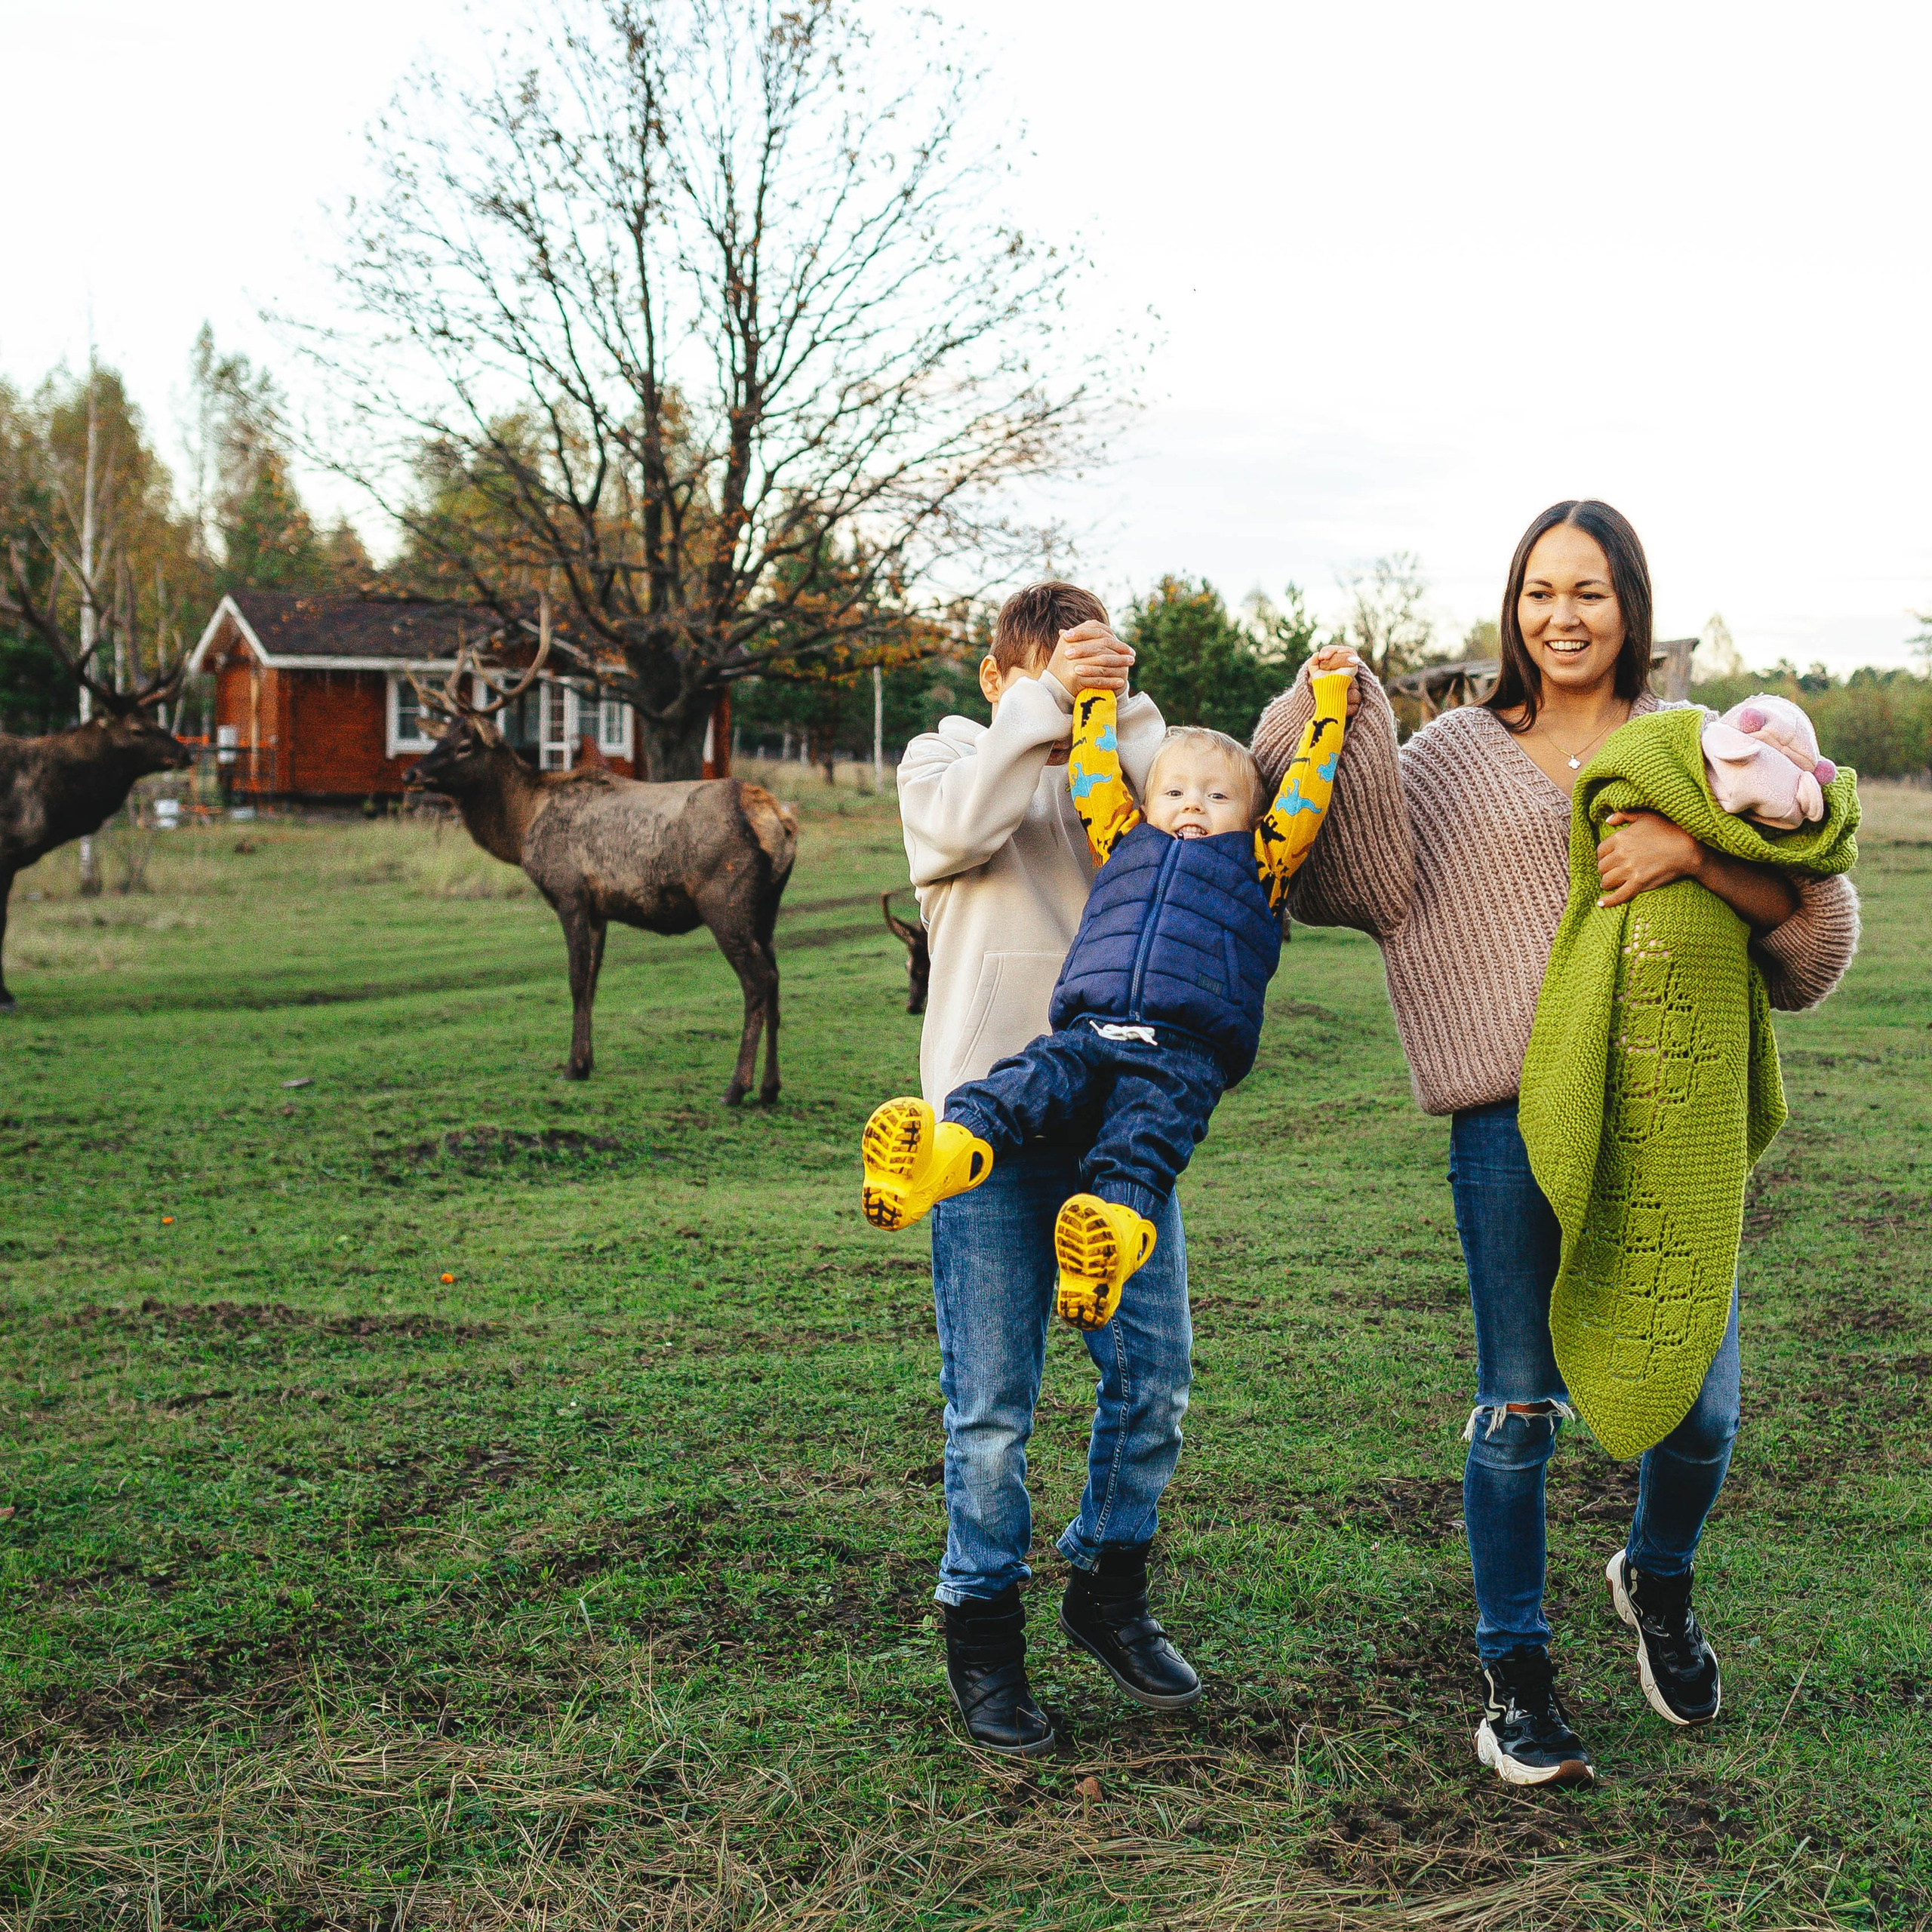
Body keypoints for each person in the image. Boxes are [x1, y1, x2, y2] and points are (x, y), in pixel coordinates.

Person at [1251, 500, 1860, 1788]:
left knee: (1703, 1408)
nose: (1561, 616)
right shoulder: (1456, 756)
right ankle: (1515, 1674)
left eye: (1588, 591)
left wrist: (1694, 853)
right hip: (1507, 1117)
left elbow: (1813, 934)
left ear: (1629, 605)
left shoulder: (1692, 744)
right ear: (1511, 606)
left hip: (1666, 1112)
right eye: (1539, 591)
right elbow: (1340, 874)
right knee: (1520, 1405)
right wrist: (1324, 711)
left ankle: (1659, 1574)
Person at [891, 581, 1192, 1756]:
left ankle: (1107, 1589)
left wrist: (1120, 717)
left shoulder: (1120, 763)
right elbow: (959, 830)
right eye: (1043, 680)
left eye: (1093, 677)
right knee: (992, 1412)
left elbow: (1189, 830)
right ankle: (983, 1637)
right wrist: (1037, 707)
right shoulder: (945, 758)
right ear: (994, 682)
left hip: (1119, 1125)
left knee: (1154, 1380)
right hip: (980, 1132)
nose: (1069, 703)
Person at [863, 672, 1352, 1331]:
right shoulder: (1123, 842)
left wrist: (1329, 704)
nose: (1193, 808)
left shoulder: (1264, 863)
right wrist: (1092, 698)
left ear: (1254, 813)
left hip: (1184, 1053)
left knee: (1139, 1145)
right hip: (1090, 1030)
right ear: (1148, 803)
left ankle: (1108, 1245)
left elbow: (1307, 790)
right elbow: (1093, 770)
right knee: (1016, 1083)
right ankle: (938, 1157)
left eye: (1217, 797)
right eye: (1174, 792)